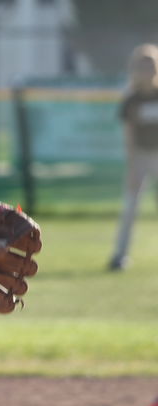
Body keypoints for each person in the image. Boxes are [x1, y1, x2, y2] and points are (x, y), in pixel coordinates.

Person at [110, 43, 158, 271]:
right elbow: (129, 134)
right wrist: (132, 167)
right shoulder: (132, 98)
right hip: (140, 155)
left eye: (151, 65)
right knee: (130, 206)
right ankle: (120, 255)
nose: (148, 70)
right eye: (143, 66)